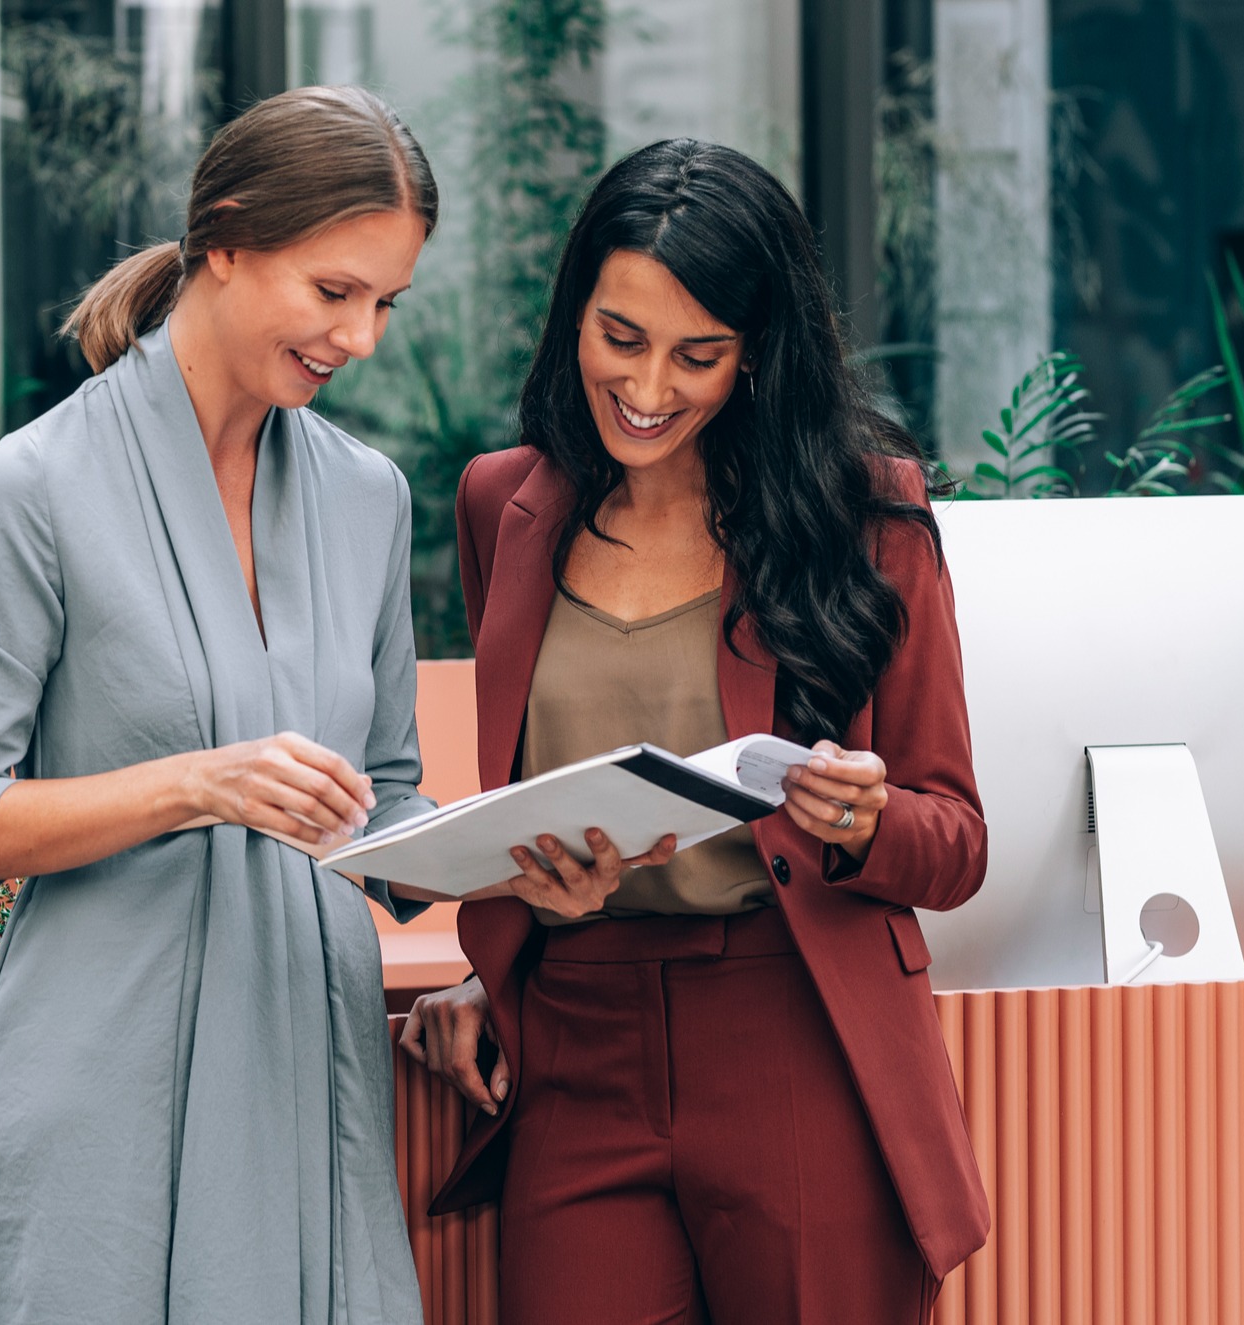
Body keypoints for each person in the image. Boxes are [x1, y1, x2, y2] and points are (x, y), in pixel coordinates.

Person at [397, 139, 992, 1323]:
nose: (649, 386)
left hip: (793, 1033)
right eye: (619, 337)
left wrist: (866, 821)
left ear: (756, 353)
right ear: (574, 315)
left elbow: (958, 841)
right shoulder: (499, 506)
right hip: (577, 1041)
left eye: (697, 353)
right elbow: (525, 793)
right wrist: (505, 933)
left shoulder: (865, 517)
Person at [0, 85, 442, 1325]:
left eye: (384, 303)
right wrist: (193, 784)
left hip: (305, 1071)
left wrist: (511, 860)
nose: (360, 338)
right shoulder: (36, 484)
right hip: (98, 1085)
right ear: (228, 242)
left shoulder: (369, 499)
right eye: (333, 291)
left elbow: (387, 801)